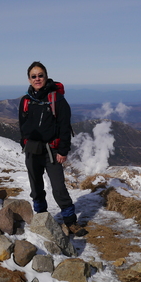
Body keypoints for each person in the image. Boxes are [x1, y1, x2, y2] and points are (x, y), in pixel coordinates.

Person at [18, 61, 87, 236]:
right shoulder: (26, 100)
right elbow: (22, 124)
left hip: (52, 151)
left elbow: (65, 127)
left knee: (58, 187)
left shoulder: (57, 99)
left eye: (40, 75)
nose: (37, 79)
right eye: (34, 76)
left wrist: (63, 151)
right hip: (32, 150)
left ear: (46, 76)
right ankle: (41, 217)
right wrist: (23, 143)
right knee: (36, 187)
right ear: (29, 79)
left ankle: (70, 222)